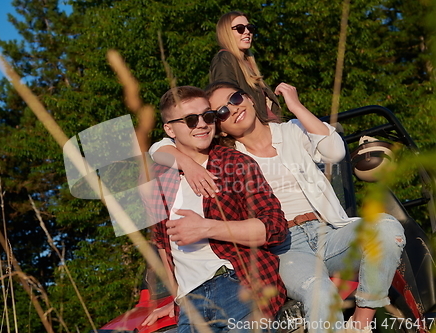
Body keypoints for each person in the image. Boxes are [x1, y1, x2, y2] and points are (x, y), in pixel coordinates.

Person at [149, 82, 406, 333]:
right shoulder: (227, 157)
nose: (233, 109)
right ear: (221, 127)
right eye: (222, 112)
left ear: (249, 98)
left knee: (386, 227)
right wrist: (185, 161)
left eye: (235, 99)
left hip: (329, 230)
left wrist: (295, 106)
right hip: (286, 246)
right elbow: (159, 148)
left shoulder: (291, 131)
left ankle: (360, 324)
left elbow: (335, 151)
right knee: (319, 291)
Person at [141, 86, 288, 333]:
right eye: (190, 120)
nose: (202, 125)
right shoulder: (155, 182)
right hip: (191, 303)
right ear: (169, 129)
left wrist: (206, 228)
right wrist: (177, 298)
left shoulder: (235, 164)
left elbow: (274, 228)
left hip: (238, 283)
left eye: (207, 116)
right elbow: (163, 245)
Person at [210, 11, 281, 123]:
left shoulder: (247, 63)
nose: (247, 32)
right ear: (226, 33)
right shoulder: (224, 58)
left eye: (250, 28)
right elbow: (226, 102)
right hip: (252, 133)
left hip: (267, 128)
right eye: (240, 28)